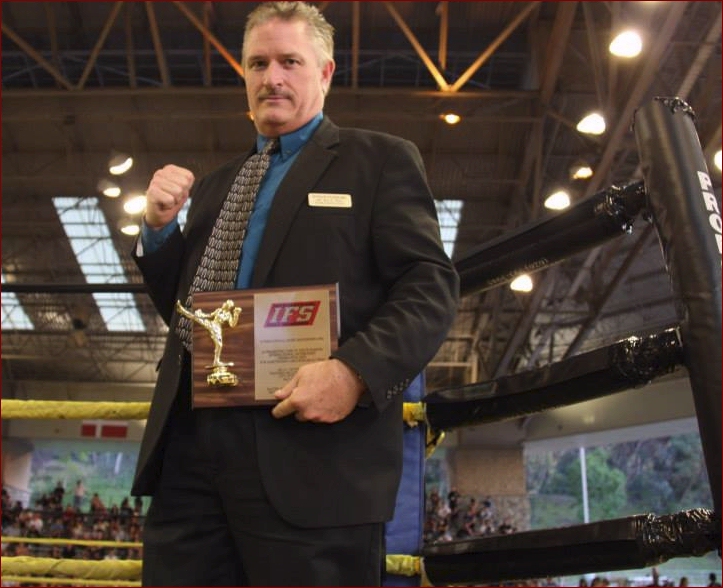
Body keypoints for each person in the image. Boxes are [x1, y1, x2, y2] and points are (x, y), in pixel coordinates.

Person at [131, 2, 459, 586]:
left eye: (289, 61)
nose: (272, 78)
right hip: (192, 455)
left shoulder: (379, 160)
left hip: (312, 454)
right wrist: (158, 232)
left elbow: (429, 287)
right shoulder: (214, 187)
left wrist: (354, 373)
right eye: (257, 64)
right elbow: (191, 320)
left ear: (325, 72)